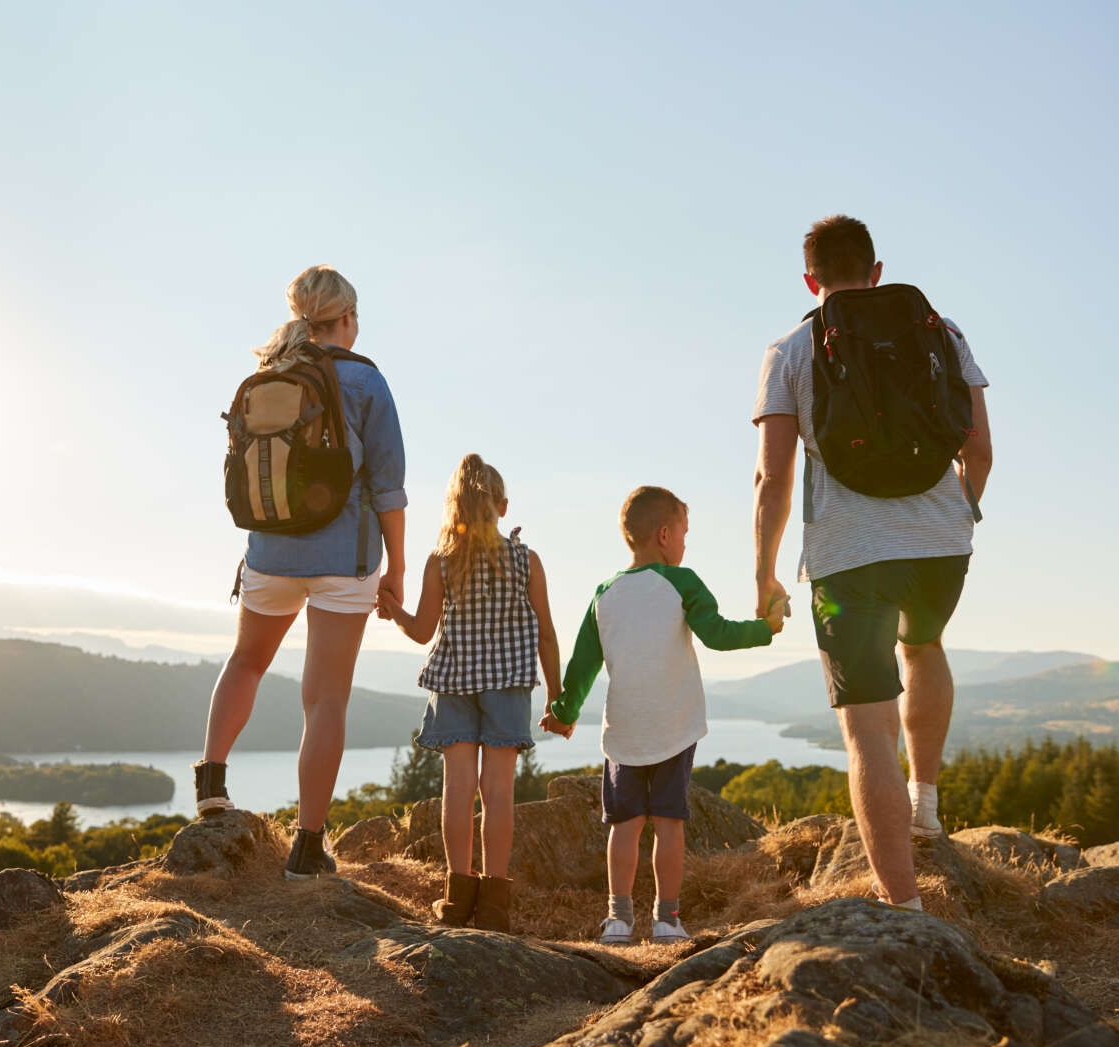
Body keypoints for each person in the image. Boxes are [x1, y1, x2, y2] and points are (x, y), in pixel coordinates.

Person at [751, 215, 993, 911]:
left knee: (865, 727)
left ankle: (905, 909)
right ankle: (926, 801)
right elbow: (977, 450)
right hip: (943, 546)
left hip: (849, 556)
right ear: (877, 271)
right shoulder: (941, 334)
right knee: (924, 646)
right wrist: (961, 512)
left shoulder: (791, 350)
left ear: (809, 279)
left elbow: (773, 479)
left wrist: (765, 572)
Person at [195, 264, 408, 880]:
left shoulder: (271, 373)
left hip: (269, 551)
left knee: (246, 662)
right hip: (345, 558)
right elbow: (388, 489)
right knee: (325, 700)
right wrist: (395, 569)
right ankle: (307, 848)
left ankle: (211, 782)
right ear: (347, 319)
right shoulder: (366, 380)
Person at [542, 486, 782, 944]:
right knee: (669, 825)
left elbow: (582, 665)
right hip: (674, 726)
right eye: (685, 534)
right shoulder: (683, 581)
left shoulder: (603, 594)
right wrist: (765, 629)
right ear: (666, 534)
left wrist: (564, 713)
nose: (686, 544)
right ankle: (667, 920)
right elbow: (718, 634)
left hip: (625, 731)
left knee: (624, 827)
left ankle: (618, 920)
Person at [377, 454, 561, 932]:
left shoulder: (441, 561)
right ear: (502, 506)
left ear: (453, 507)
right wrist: (557, 697)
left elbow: (421, 632)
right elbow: (545, 633)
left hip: (454, 681)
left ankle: (457, 898)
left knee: (456, 790)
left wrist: (393, 610)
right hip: (509, 684)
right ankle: (496, 903)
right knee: (498, 793)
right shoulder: (527, 560)